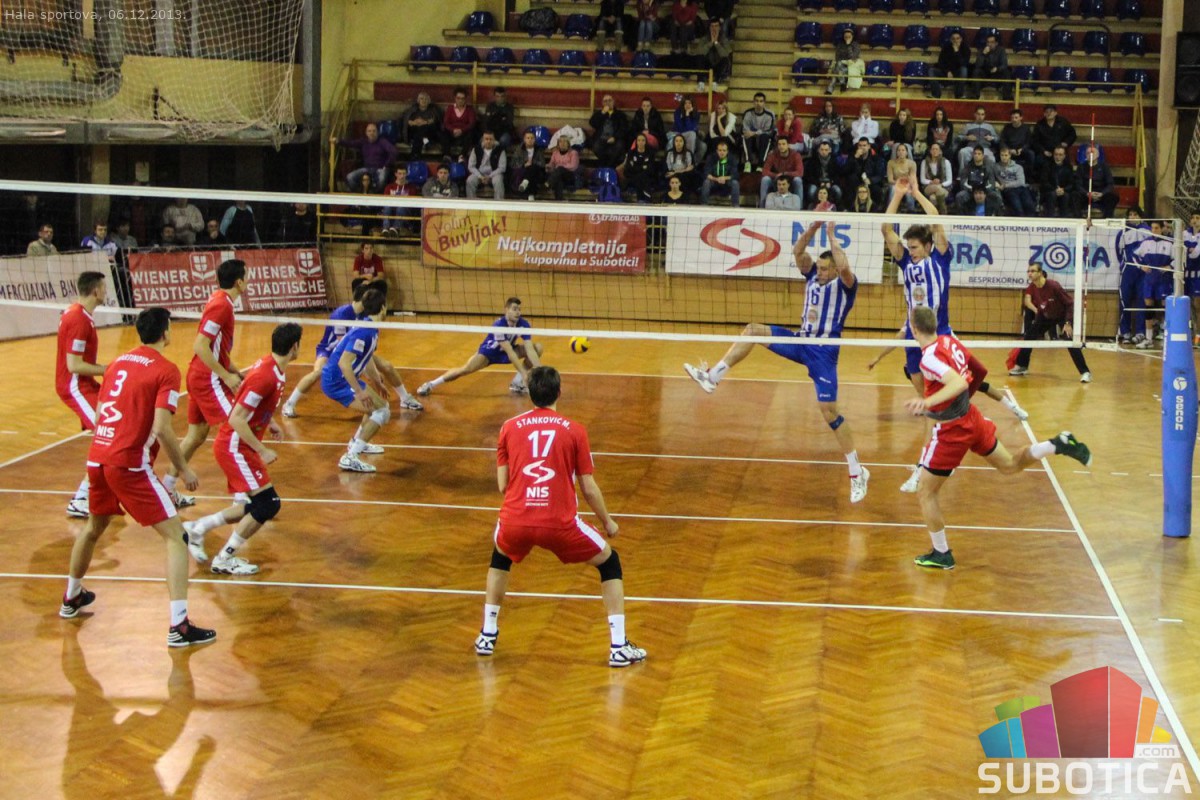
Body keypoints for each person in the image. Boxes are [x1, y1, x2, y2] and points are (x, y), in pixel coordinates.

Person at [59, 307, 217, 647]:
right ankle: (180, 626)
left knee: (93, 528)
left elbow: (101, 412)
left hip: (97, 457)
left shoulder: (117, 363)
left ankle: (71, 597)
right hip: (128, 464)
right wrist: (184, 468)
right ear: (166, 333)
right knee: (177, 537)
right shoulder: (166, 370)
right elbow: (163, 428)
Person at [473, 365, 646, 668]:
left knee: (501, 556)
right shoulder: (575, 430)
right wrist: (608, 522)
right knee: (610, 561)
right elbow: (588, 488)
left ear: (530, 394)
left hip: (515, 520)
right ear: (559, 392)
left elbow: (502, 485)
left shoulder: (508, 427)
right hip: (559, 523)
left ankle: (487, 634)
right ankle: (618, 645)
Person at [683, 221, 869, 502]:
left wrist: (831, 234)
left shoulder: (846, 287)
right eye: (818, 268)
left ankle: (857, 471)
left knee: (829, 412)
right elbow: (798, 252)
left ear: (833, 271)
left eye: (823, 269)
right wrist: (814, 227)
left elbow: (844, 266)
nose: (819, 272)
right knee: (753, 330)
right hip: (800, 342)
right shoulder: (812, 277)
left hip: (823, 353)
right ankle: (712, 377)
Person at [903, 305, 1092, 570]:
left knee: (926, 492)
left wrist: (927, 402)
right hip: (972, 419)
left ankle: (941, 553)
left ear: (914, 329)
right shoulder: (949, 341)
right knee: (1010, 465)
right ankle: (1055, 444)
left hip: (951, 431)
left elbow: (958, 383)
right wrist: (962, 399)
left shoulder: (928, 359)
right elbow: (977, 369)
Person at [183, 323, 302, 575]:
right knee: (268, 504)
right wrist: (262, 449)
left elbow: (251, 400)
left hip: (239, 446)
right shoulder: (266, 376)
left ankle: (198, 527)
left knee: (261, 503)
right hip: (235, 447)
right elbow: (237, 418)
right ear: (295, 347)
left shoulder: (272, 368)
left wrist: (270, 423)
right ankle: (224, 558)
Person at [164, 259, 246, 508]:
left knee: (197, 435)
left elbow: (216, 348)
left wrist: (234, 370)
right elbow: (200, 345)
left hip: (200, 375)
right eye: (247, 277)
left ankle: (167, 488)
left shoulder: (220, 300)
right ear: (239, 282)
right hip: (207, 378)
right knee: (238, 427)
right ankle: (241, 495)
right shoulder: (222, 305)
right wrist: (225, 376)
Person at [320, 288, 392, 473]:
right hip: (337, 381)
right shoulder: (365, 332)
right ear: (382, 308)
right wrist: (359, 392)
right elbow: (344, 364)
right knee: (381, 411)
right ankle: (351, 457)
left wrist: (377, 382)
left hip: (343, 378)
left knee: (377, 406)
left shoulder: (370, 327)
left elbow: (367, 358)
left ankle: (358, 441)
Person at [57, 272, 109, 519]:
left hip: (84, 384)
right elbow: (74, 365)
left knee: (111, 428)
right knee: (106, 433)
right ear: (96, 291)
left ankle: (95, 489)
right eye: (104, 287)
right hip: (75, 387)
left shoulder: (79, 315)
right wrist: (108, 369)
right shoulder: (78, 319)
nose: (106, 291)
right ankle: (81, 498)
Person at [418, 297, 544, 397]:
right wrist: (524, 373)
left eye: (519, 309)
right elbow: (510, 352)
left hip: (506, 353)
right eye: (514, 309)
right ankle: (431, 384)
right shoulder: (499, 325)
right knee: (464, 370)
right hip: (489, 354)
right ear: (506, 309)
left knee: (537, 348)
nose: (518, 312)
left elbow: (529, 349)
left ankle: (517, 383)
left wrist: (541, 371)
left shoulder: (523, 324)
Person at [1009, 263, 1091, 381]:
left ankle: (1085, 372)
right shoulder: (1033, 287)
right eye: (1028, 271)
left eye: (1032, 271)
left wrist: (1068, 323)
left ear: (1040, 273)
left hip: (1062, 316)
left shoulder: (1053, 286)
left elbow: (1069, 303)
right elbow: (1039, 304)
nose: (1029, 274)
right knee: (1029, 336)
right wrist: (1037, 320)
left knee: (1070, 342)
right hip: (1046, 316)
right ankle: (1022, 366)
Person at [1133, 219, 1175, 348]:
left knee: (1165, 307)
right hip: (1149, 280)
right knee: (1149, 307)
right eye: (1152, 228)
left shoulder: (1169, 243)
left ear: (1162, 229)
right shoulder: (1146, 243)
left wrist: (1169, 266)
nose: (1154, 230)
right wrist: (1141, 266)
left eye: (1156, 228)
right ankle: (1148, 339)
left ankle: (1166, 336)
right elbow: (1134, 256)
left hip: (1164, 280)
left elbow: (1179, 258)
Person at [1116, 207, 1149, 344]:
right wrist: (1124, 264)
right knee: (1125, 300)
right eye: (1130, 214)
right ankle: (1125, 332)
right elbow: (1118, 252)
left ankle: (1141, 332)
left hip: (1143, 271)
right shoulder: (1123, 232)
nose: (1133, 217)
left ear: (1141, 216)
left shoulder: (1147, 230)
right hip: (1127, 270)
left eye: (1135, 214)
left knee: (1142, 301)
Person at [330, 123, 396, 192]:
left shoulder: (382, 142)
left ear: (378, 132)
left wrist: (387, 165)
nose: (372, 133)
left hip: (380, 169)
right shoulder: (363, 141)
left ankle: (374, 195)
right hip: (367, 169)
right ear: (366, 133)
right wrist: (338, 141)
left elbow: (393, 151)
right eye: (369, 131)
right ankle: (360, 193)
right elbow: (351, 143)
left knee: (382, 179)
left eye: (374, 131)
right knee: (350, 177)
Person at [759, 135, 804, 207]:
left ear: (788, 145)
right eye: (779, 144)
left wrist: (785, 173)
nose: (781, 146)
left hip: (790, 182)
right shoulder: (773, 155)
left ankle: (799, 208)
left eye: (783, 144)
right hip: (777, 181)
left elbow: (800, 172)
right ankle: (762, 207)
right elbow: (765, 171)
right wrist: (776, 175)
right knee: (765, 179)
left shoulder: (796, 155)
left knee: (798, 180)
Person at [1076, 145, 1118, 220]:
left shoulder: (1104, 167)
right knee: (1075, 196)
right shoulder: (1081, 167)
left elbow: (1110, 183)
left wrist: (1102, 193)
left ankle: (1106, 219)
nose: (1090, 154)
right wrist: (1087, 193)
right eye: (1088, 153)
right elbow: (1078, 184)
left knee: (1113, 197)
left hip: (1101, 194)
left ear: (1098, 155)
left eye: (1092, 152)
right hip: (1086, 194)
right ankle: (1078, 219)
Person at [587, 94, 629, 169]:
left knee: (619, 146)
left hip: (615, 138)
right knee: (596, 147)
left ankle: (608, 166)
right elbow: (592, 123)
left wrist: (615, 137)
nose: (607, 103)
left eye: (609, 101)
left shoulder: (620, 114)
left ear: (613, 102)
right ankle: (608, 165)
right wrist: (602, 113)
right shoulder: (599, 113)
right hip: (601, 138)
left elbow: (623, 128)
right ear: (602, 103)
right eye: (605, 101)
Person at [843, 136, 886, 206]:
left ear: (869, 146)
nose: (862, 147)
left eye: (864, 145)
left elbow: (880, 175)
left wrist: (871, 180)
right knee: (851, 181)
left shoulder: (876, 157)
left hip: (870, 181)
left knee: (877, 189)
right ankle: (851, 207)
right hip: (857, 181)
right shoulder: (853, 156)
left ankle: (874, 208)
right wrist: (855, 158)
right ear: (857, 146)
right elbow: (845, 171)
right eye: (860, 145)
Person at [995, 146, 1036, 217]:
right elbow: (992, 176)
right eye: (1002, 155)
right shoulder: (996, 167)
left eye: (1006, 155)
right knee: (1018, 208)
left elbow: (1021, 182)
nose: (1004, 157)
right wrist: (996, 183)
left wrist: (1005, 185)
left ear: (1010, 156)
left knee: (1030, 206)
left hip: (1021, 188)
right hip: (1009, 190)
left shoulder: (1018, 167)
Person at [466, 130, 507, 200]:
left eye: (490, 139)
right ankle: (471, 201)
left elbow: (502, 167)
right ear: (483, 140)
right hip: (479, 174)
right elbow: (471, 166)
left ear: (494, 140)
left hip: (494, 174)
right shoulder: (476, 149)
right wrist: (480, 176)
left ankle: (499, 202)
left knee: (498, 181)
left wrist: (490, 176)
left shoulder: (500, 150)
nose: (488, 141)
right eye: (486, 139)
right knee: (470, 180)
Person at [956, 106, 998, 174]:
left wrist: (992, 138)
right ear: (975, 115)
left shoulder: (989, 127)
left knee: (992, 159)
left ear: (984, 115)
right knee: (962, 152)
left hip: (985, 148)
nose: (980, 116)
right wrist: (967, 137)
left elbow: (997, 139)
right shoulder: (968, 126)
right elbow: (959, 137)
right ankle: (962, 174)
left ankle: (989, 177)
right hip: (971, 148)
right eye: (978, 114)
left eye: (982, 114)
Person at [931, 29, 971, 100]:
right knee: (931, 71)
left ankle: (959, 95)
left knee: (964, 69)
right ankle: (936, 95)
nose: (955, 40)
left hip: (958, 73)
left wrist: (957, 52)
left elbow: (964, 64)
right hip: (946, 73)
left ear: (961, 39)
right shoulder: (946, 48)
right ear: (951, 40)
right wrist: (947, 71)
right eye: (953, 39)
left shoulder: (966, 49)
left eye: (957, 38)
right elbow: (940, 62)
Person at [1040, 146, 1077, 218]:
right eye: (1056, 154)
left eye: (1060, 155)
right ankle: (1050, 218)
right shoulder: (1047, 165)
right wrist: (1055, 189)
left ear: (1064, 156)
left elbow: (1071, 183)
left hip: (1063, 191)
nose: (1058, 157)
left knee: (1066, 196)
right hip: (1050, 191)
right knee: (1052, 195)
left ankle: (1064, 219)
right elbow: (1044, 182)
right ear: (1053, 155)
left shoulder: (1068, 166)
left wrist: (1063, 189)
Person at [741, 92, 776, 169]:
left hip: (763, 139)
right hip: (752, 139)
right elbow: (745, 129)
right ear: (753, 102)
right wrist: (753, 134)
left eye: (761, 101)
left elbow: (769, 131)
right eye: (756, 101)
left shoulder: (769, 114)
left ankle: (761, 164)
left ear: (764, 103)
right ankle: (748, 162)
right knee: (745, 136)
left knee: (765, 137)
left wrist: (754, 133)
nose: (758, 103)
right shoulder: (748, 113)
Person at [700, 139, 740, 206]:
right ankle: (704, 205)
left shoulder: (732, 158)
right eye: (720, 150)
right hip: (714, 181)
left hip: (727, 182)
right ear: (717, 151)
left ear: (727, 151)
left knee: (735, 183)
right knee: (706, 182)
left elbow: (735, 175)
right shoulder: (711, 158)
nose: (722, 152)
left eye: (724, 150)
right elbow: (706, 173)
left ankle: (735, 206)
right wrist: (716, 179)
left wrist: (724, 178)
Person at [972, 33, 1011, 100]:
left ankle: (1007, 97)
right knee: (976, 72)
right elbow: (978, 65)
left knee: (1006, 72)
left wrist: (997, 69)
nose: (989, 44)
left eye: (992, 42)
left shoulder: (1001, 50)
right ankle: (975, 96)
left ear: (996, 43)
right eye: (988, 42)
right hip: (985, 73)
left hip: (997, 73)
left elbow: (1004, 64)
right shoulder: (982, 50)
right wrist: (983, 54)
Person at [441, 88, 478, 157]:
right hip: (452, 132)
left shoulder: (469, 109)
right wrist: (453, 130)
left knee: (471, 133)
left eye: (462, 98)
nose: (460, 100)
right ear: (455, 98)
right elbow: (446, 122)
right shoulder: (450, 108)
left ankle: (462, 156)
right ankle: (447, 155)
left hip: (464, 132)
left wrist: (461, 130)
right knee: (443, 133)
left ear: (465, 99)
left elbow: (472, 123)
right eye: (458, 98)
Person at [401, 91, 440, 158]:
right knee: (419, 133)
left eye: (426, 99)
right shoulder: (413, 110)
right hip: (414, 132)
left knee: (422, 130)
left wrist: (425, 122)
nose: (424, 101)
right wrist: (413, 122)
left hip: (428, 133)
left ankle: (414, 154)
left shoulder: (432, 110)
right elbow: (405, 120)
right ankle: (426, 142)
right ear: (418, 101)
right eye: (422, 99)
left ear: (429, 101)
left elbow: (435, 120)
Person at [918, 141, 952, 214]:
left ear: (940, 151)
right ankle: (944, 213)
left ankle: (933, 216)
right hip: (929, 187)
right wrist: (931, 182)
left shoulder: (946, 162)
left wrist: (941, 185)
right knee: (937, 189)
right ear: (930, 151)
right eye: (933, 149)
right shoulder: (924, 162)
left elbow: (949, 180)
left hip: (943, 187)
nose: (935, 151)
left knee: (933, 198)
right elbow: (922, 180)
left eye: (937, 149)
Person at [510, 130, 546, 199]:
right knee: (530, 174)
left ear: (534, 140)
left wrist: (532, 163)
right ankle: (530, 195)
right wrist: (524, 165)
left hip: (536, 172)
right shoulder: (519, 150)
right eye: (528, 138)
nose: (530, 140)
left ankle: (525, 184)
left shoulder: (538, 150)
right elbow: (513, 163)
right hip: (523, 171)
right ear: (524, 139)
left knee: (533, 169)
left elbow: (542, 164)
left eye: (532, 138)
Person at [622, 132, 657, 203]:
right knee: (639, 178)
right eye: (639, 140)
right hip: (633, 176)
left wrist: (637, 167)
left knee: (642, 178)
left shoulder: (650, 153)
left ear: (645, 142)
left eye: (643, 140)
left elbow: (651, 168)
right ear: (636, 142)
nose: (641, 142)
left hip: (646, 176)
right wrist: (642, 167)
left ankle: (640, 198)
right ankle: (647, 196)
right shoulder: (631, 153)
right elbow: (628, 168)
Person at [827, 27, 863, 94]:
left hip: (851, 67)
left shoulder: (856, 45)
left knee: (836, 72)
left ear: (852, 36)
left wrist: (848, 45)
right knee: (838, 66)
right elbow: (837, 58)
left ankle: (830, 90)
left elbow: (853, 57)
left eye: (849, 37)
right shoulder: (840, 45)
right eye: (846, 37)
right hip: (840, 66)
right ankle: (842, 83)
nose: (847, 38)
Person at [805, 140, 840, 205]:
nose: (824, 152)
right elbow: (809, 176)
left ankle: (834, 207)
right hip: (817, 182)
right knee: (811, 191)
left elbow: (838, 175)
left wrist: (831, 183)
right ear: (818, 150)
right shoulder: (813, 160)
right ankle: (813, 207)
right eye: (822, 150)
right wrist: (819, 183)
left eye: (826, 150)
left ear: (830, 150)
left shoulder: (834, 161)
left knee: (837, 190)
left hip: (830, 182)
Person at [699, 18, 732, 87]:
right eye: (712, 26)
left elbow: (726, 53)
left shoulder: (724, 39)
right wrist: (711, 43)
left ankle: (716, 81)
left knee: (726, 60)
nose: (714, 28)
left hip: (719, 67)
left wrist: (716, 43)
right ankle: (701, 82)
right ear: (709, 28)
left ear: (719, 28)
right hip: (708, 66)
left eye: (716, 26)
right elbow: (700, 52)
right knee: (700, 58)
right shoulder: (704, 39)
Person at [999, 108, 1034, 173]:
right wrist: (1009, 150)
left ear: (1021, 118)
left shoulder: (1026, 128)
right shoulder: (1007, 127)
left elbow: (1029, 142)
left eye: (1016, 117)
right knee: (1000, 154)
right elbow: (1002, 141)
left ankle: (1029, 176)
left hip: (1022, 150)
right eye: (1012, 118)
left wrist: (1022, 149)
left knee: (1031, 154)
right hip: (1009, 151)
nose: (1014, 120)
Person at [481, 86, 516, 151]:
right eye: (497, 96)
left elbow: (508, 122)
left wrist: (494, 117)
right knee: (481, 141)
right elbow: (487, 121)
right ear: (494, 96)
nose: (500, 98)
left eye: (502, 96)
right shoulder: (490, 106)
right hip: (491, 131)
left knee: (504, 140)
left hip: (504, 132)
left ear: (505, 96)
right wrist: (501, 118)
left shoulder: (509, 107)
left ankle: (500, 154)